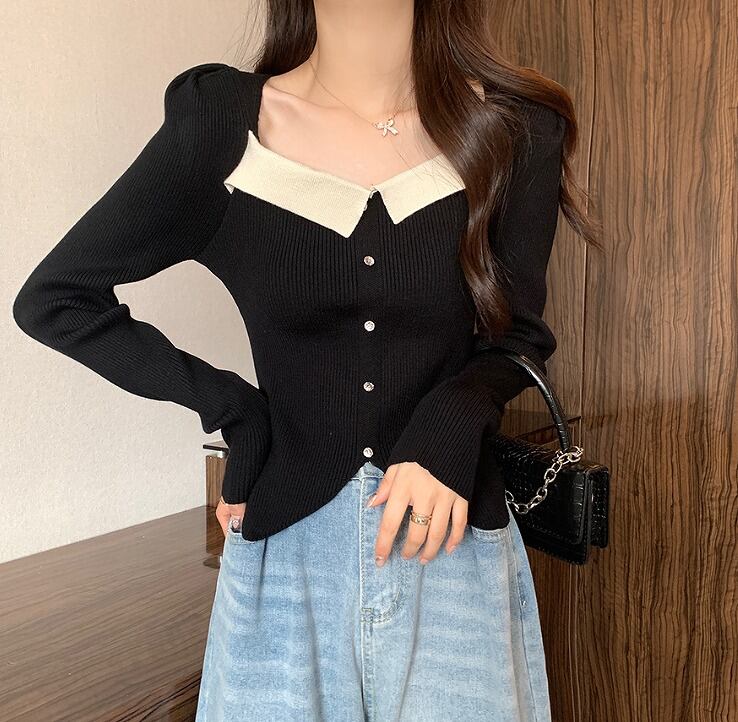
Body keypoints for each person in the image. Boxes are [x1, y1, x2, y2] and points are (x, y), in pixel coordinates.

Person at [12, 1, 597, 720]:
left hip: (450, 551)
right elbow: (56, 299)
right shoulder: (224, 127)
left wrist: (451, 417)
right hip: (285, 558)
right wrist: (237, 410)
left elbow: (520, 337)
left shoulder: (515, 130)